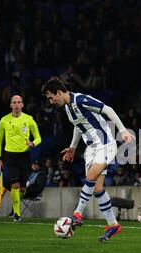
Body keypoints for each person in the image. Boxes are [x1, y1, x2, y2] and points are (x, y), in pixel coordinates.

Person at [41, 76, 134, 242]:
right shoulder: (68, 108)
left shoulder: (82, 100)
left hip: (105, 144)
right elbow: (79, 126)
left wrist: (123, 130)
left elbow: (108, 110)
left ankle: (77, 214)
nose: (51, 101)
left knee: (90, 177)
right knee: (97, 189)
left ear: (59, 92)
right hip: (91, 148)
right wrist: (73, 147)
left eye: (51, 97)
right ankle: (113, 225)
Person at [0, 95, 42, 222]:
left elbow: (38, 137)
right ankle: (17, 213)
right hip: (10, 156)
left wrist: (33, 143)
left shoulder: (29, 119)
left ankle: (15, 205)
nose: (16, 104)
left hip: (25, 156)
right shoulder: (4, 120)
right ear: (10, 105)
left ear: (22, 105)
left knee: (22, 188)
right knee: (15, 185)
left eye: (19, 102)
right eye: (14, 102)